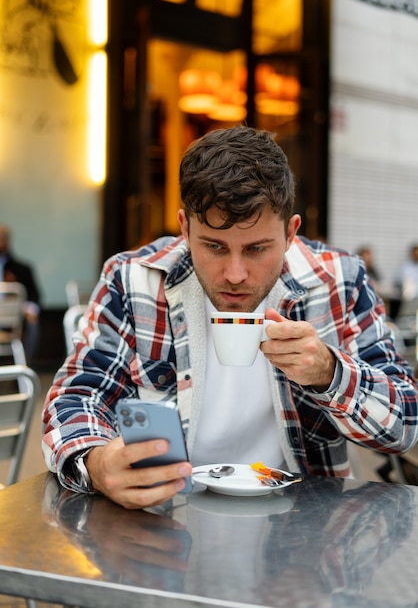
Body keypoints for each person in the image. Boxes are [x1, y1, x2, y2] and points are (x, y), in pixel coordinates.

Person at [42, 126, 418, 509]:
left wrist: (329, 372)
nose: (235, 274)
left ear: (291, 233)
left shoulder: (339, 282)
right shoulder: (133, 279)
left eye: (257, 249)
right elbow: (78, 396)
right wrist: (96, 460)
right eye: (214, 247)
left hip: (303, 531)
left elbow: (403, 425)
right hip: (164, 520)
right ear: (185, 228)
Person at [0, 223, 41, 364]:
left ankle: (24, 368)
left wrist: (29, 309)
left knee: (32, 325)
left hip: (14, 316)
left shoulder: (22, 269)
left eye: (3, 238)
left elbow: (34, 295)